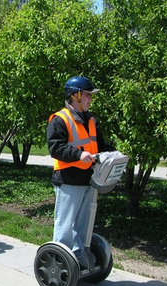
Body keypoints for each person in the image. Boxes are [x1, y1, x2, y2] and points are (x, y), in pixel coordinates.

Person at [46, 76, 114, 262]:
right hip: (68, 180)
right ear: (75, 96)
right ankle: (59, 265)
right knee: (65, 228)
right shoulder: (60, 120)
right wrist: (78, 155)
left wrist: (115, 152)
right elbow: (56, 148)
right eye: (87, 95)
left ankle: (80, 259)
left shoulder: (90, 120)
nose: (90, 99)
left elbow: (99, 145)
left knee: (84, 226)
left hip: (88, 179)